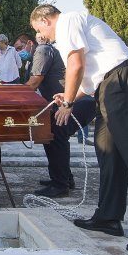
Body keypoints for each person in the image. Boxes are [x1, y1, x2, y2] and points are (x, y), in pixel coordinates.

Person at [29, 4, 128, 254]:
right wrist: (71, 94)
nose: (42, 37)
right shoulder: (75, 25)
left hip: (119, 81)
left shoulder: (67, 20)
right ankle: (108, 217)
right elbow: (91, 78)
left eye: (40, 31)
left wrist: (69, 102)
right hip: (109, 84)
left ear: (46, 19)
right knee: (108, 151)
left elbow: (76, 64)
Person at [25, 33, 96, 197]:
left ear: (29, 43)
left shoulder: (42, 50)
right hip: (70, 100)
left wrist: (13, 94)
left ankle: (60, 184)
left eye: (21, 48)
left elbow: (34, 81)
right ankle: (64, 177)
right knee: (51, 136)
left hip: (78, 100)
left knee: (57, 133)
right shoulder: (45, 50)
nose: (20, 52)